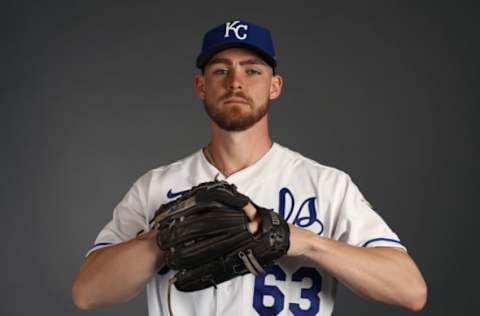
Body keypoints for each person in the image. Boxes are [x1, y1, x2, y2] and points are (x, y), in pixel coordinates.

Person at [72, 20, 427, 315]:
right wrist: (161, 238)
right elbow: (87, 292)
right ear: (201, 85)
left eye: (252, 70)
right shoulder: (156, 187)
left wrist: (309, 243)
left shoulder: (326, 185)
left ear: (275, 86)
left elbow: (410, 291)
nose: (235, 82)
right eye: (221, 70)